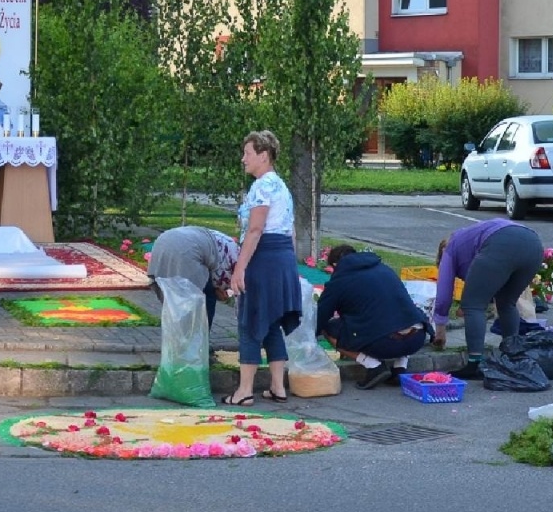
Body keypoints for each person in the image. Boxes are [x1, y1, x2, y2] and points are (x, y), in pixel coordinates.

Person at [224, 130, 302, 406]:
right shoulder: (281, 186)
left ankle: (245, 390)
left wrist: (239, 268)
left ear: (263, 156)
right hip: (282, 257)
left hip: (264, 257)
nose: (243, 159)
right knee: (271, 321)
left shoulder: (262, 187)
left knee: (250, 320)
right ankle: (278, 386)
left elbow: (255, 230)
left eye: (247, 153)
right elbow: (291, 232)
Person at [429, 218, 544, 379]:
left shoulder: (450, 248)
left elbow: (443, 294)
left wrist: (439, 329)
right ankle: (511, 355)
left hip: (501, 243)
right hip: (533, 244)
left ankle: (475, 363)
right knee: (507, 303)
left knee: (473, 305)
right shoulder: (470, 240)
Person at [316, 244, 433, 390]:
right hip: (417, 337)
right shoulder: (384, 268)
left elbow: (320, 316)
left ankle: (374, 366)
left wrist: (310, 338)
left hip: (385, 344)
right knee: (399, 318)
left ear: (335, 265)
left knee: (329, 328)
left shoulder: (339, 282)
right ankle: (399, 368)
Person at [147, 225, 240, 329]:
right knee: (203, 299)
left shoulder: (228, 245)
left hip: (163, 241)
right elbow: (222, 278)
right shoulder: (236, 259)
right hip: (187, 250)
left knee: (174, 297)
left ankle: (177, 337)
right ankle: (197, 340)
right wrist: (219, 291)